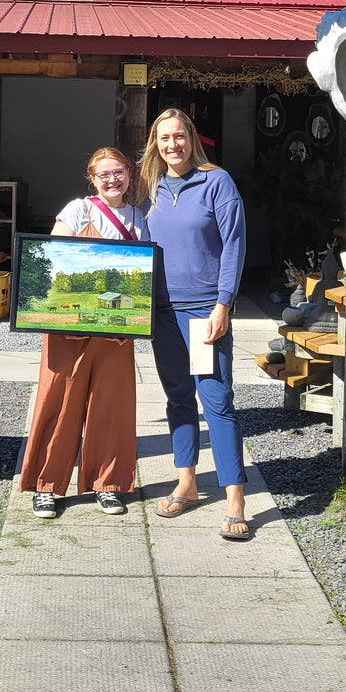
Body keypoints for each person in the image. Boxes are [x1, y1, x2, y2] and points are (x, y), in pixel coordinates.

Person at [17, 146, 147, 519]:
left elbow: (143, 275)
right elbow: (56, 258)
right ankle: (46, 485)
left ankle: (108, 484)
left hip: (116, 325)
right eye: (104, 174)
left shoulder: (139, 218)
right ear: (91, 178)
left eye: (118, 171)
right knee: (59, 402)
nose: (112, 179)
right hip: (69, 325)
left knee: (112, 407)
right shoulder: (78, 210)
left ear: (128, 174)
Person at [141, 108, 250, 540]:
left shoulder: (216, 182)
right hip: (163, 315)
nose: (172, 145)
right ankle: (186, 481)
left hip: (204, 312)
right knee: (178, 399)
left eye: (179, 136)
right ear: (156, 143)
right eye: (164, 138)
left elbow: (233, 246)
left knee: (217, 401)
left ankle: (235, 497)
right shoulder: (149, 189)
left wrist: (224, 304)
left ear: (192, 139)